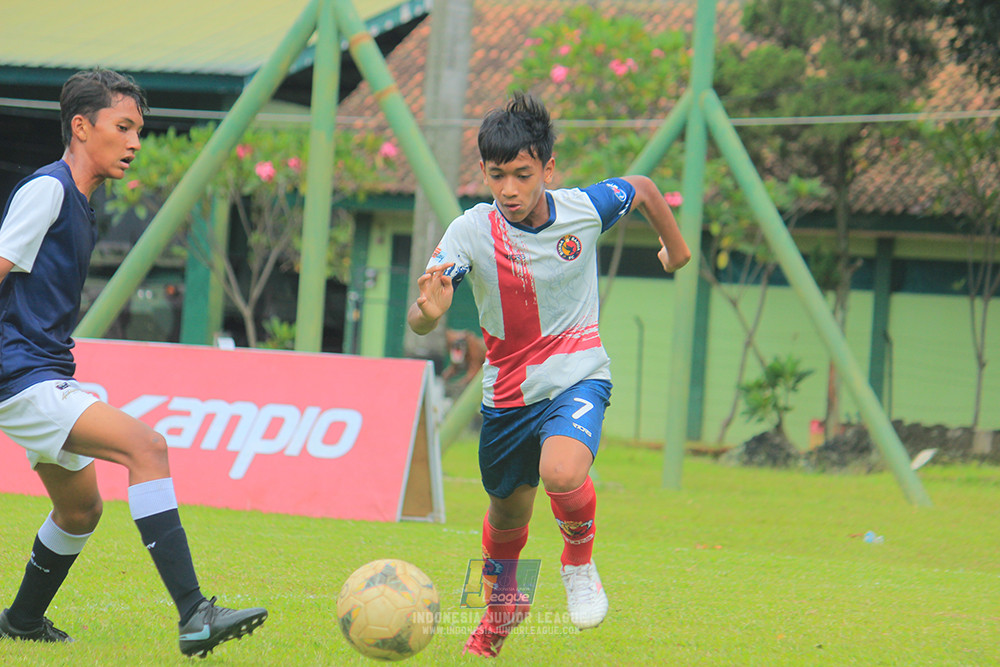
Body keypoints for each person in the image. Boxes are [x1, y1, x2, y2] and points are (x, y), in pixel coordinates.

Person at [407, 92, 691, 657]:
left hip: (579, 376)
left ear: (547, 169)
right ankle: (502, 610)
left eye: (522, 174)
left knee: (561, 472)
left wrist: (675, 249)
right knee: (507, 512)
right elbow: (419, 318)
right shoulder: (470, 231)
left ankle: (578, 566)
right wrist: (428, 315)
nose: (509, 189)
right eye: (497, 176)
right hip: (509, 395)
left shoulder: (584, 210)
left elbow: (644, 188)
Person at [0, 69, 268, 657]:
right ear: (80, 126)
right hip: (22, 376)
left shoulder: (80, 200)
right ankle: (196, 614)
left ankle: (20, 622)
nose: (135, 142)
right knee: (147, 448)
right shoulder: (47, 190)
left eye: (138, 131)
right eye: (123, 128)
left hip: (40, 371)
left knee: (79, 511)